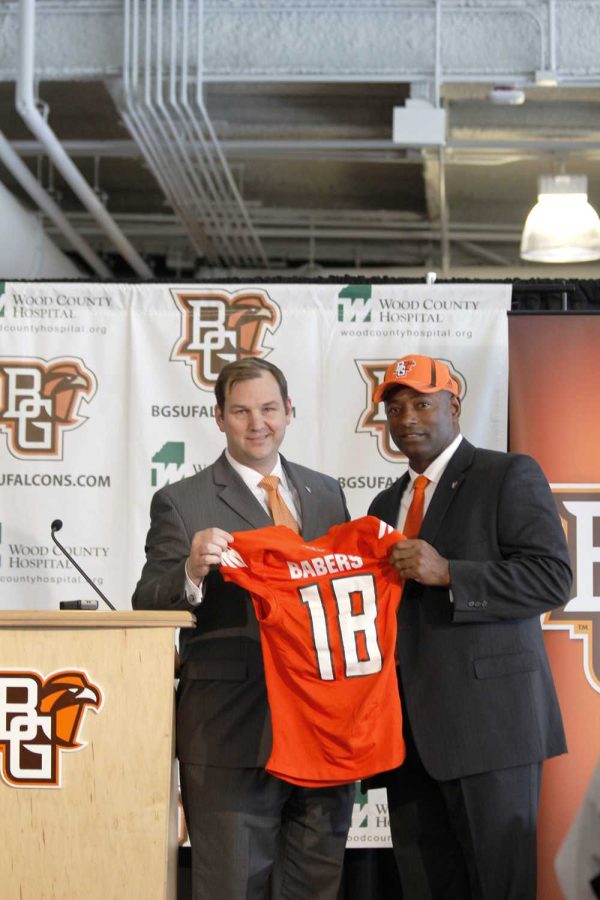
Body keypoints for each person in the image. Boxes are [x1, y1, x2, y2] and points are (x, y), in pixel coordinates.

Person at [132, 358, 354, 900]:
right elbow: (147, 599)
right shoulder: (182, 501)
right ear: (218, 418)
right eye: (241, 411)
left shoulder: (326, 494)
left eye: (269, 409)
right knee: (231, 887)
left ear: (290, 412)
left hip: (322, 729)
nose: (258, 423)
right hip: (232, 731)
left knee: (314, 887)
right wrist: (189, 570)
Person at [367, 353, 572, 900]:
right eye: (395, 407)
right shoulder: (384, 503)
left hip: (492, 733)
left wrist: (449, 574)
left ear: (454, 405)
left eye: (422, 403)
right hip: (409, 741)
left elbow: (553, 579)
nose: (407, 417)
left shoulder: (507, 474)